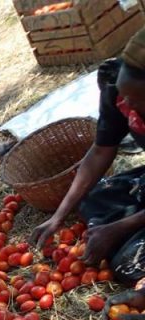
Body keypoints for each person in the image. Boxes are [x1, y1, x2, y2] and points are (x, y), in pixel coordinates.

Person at [30, 30, 145, 284]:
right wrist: (58, 216)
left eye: (137, 100)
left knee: (127, 266)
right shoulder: (120, 86)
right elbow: (101, 150)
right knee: (90, 201)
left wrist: (118, 228)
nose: (126, 104)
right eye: (124, 96)